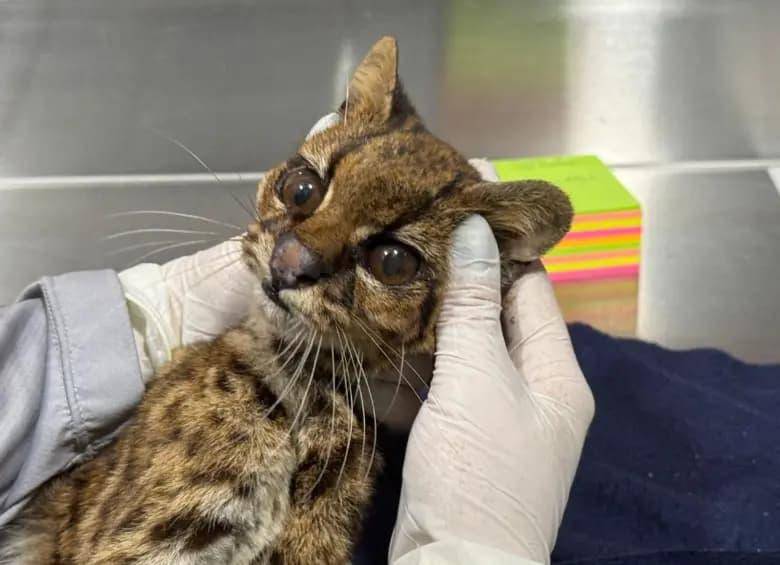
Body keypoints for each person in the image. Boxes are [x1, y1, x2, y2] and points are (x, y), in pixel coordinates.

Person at [0, 180, 593, 565]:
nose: (294, 257)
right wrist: (476, 552)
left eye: (391, 258)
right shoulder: (215, 402)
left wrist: (76, 346)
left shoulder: (357, 438)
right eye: (303, 189)